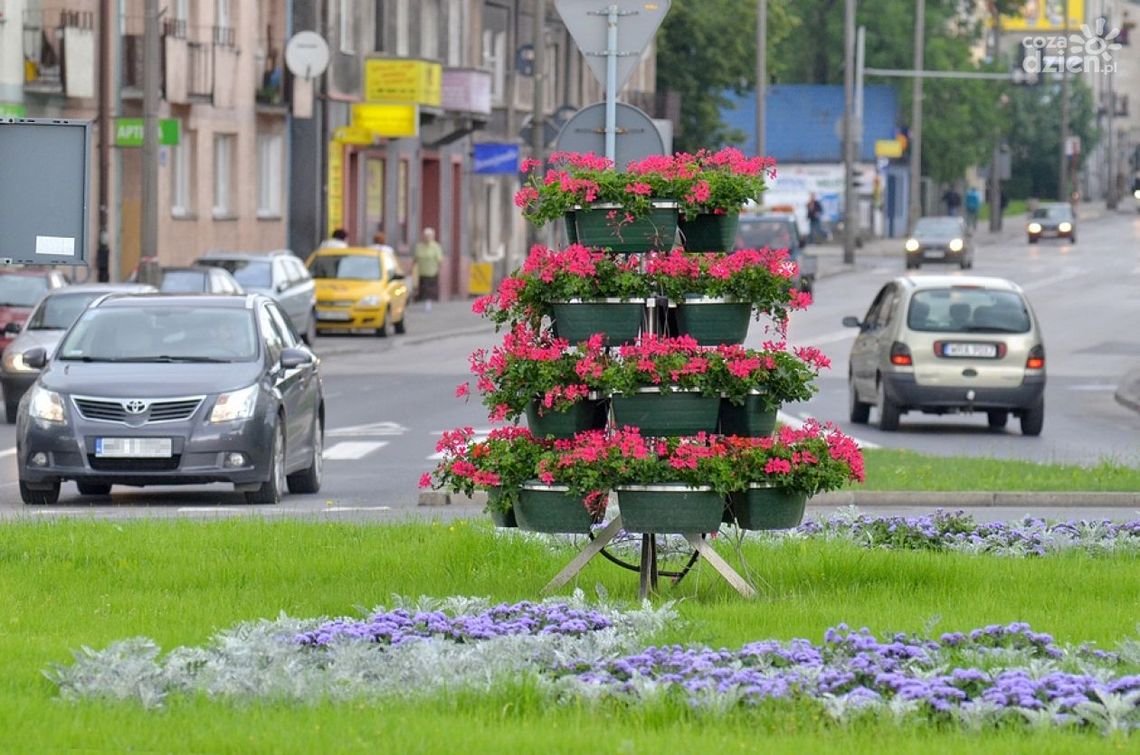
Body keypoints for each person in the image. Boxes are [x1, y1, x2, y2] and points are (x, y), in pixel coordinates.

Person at [412, 227, 443, 311]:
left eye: (429, 236)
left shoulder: (436, 247)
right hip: (422, 272)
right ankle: (424, 302)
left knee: (430, 290)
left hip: (432, 272)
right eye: (425, 236)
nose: (427, 238)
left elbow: (439, 260)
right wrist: (412, 268)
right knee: (423, 289)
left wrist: (440, 269)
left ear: (432, 237)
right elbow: (415, 259)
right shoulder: (419, 247)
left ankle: (428, 304)